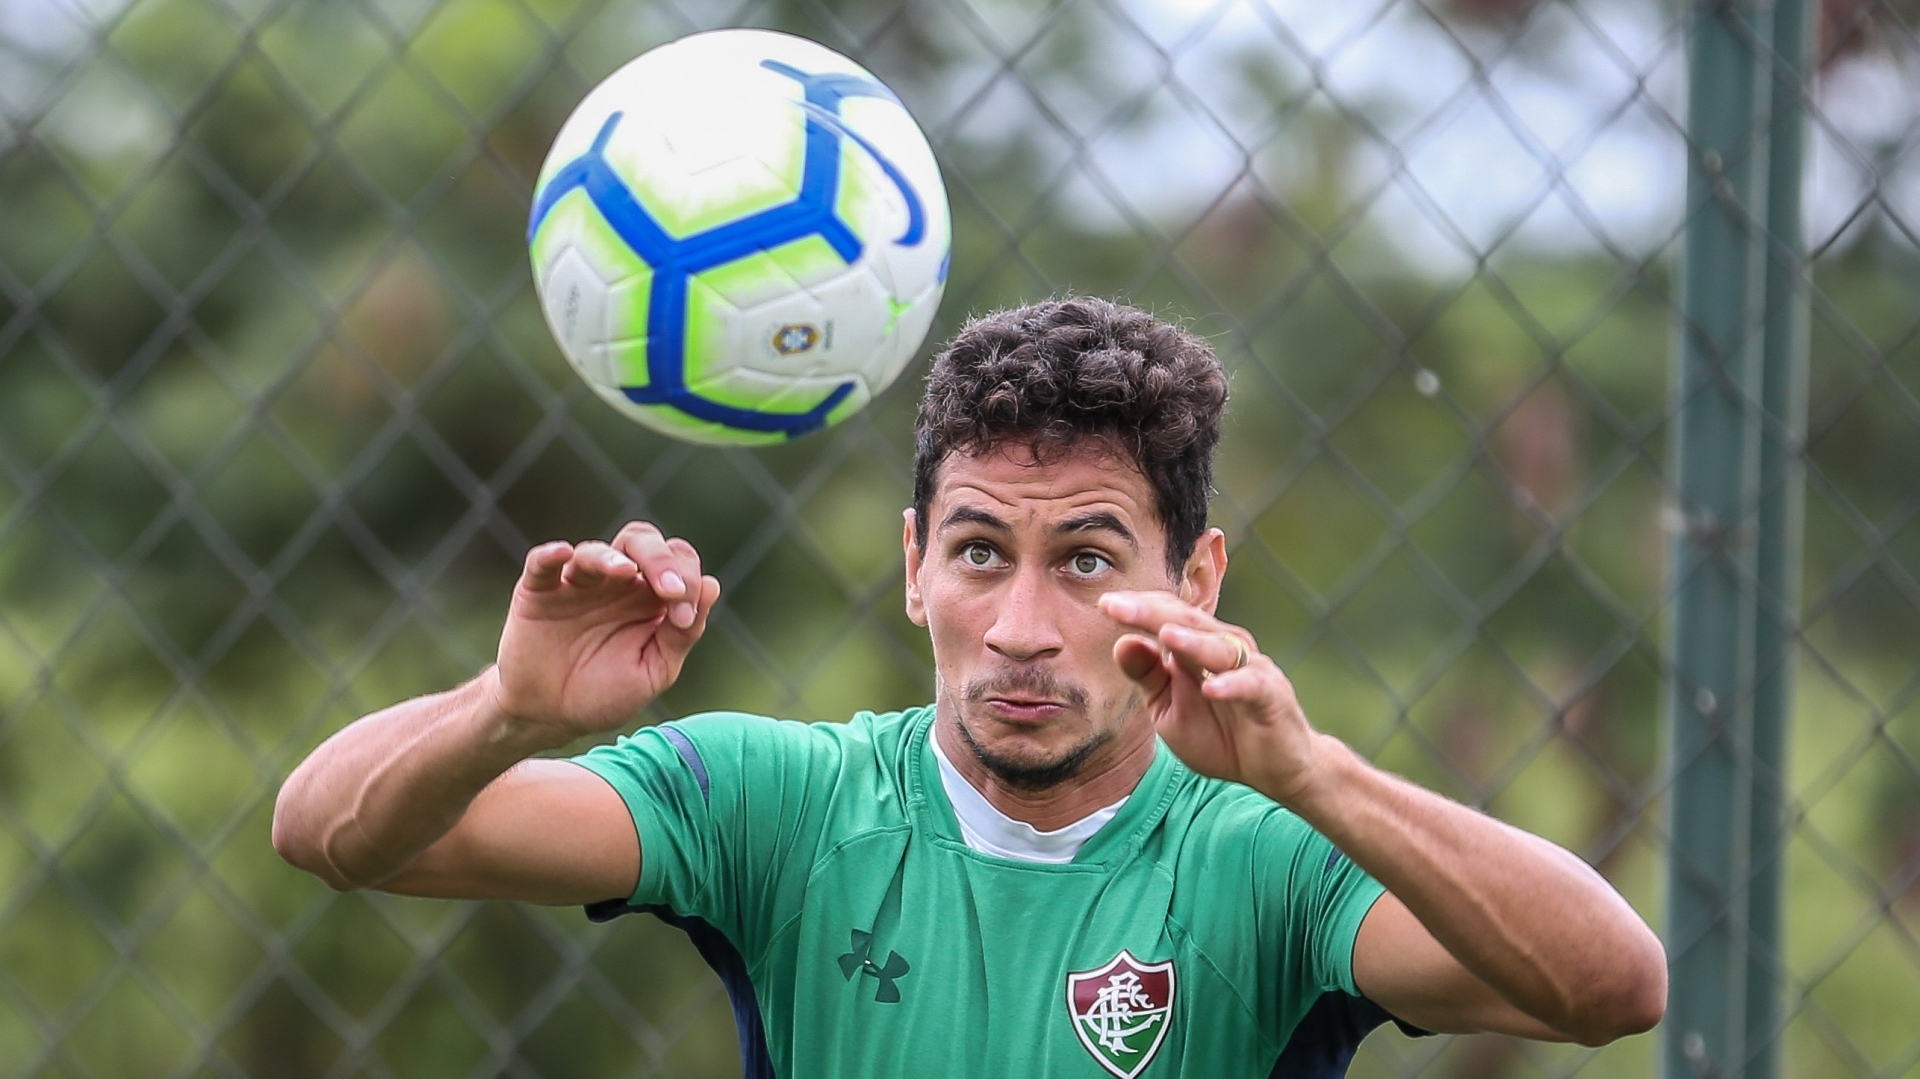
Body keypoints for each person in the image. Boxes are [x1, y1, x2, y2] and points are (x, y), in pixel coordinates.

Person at [273, 298, 1666, 1078]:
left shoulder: (1274, 857)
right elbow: (330, 833)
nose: (1018, 625)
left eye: (1087, 560)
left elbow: (1613, 989)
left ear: (1195, 584)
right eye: (982, 551)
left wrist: (1316, 775)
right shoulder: (789, 805)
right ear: (914, 569)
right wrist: (509, 715)